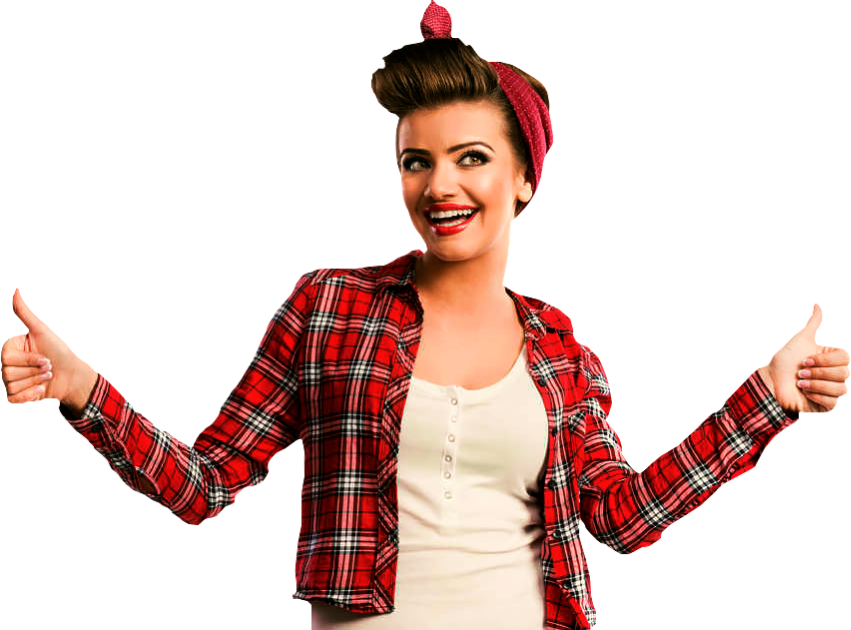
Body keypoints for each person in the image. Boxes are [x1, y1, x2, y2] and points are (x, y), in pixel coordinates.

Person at [3, 2, 849, 629]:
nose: (439, 185)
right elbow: (206, 486)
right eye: (416, 162)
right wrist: (82, 391)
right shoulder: (326, 306)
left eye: (470, 157)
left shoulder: (565, 356)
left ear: (524, 179)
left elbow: (619, 522)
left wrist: (765, 402)